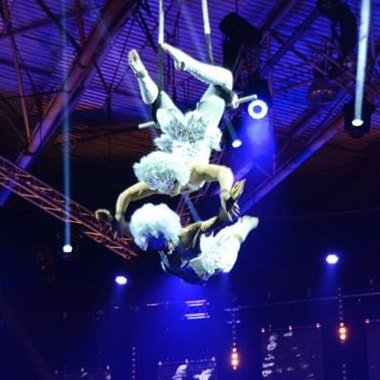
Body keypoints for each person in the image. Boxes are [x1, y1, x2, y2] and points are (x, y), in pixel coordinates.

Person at [95, 44, 239, 233]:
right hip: (177, 129)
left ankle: (182, 66)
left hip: (199, 128)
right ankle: (143, 76)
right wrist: (120, 216)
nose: (170, 195)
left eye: (170, 189)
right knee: (158, 102)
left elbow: (223, 172)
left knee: (226, 80)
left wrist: (226, 193)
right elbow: (127, 195)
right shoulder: (158, 183)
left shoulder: (192, 172)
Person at [128, 188, 259, 285]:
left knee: (232, 236)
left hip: (213, 256)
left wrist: (226, 210)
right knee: (226, 239)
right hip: (196, 274)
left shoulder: (186, 235)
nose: (168, 247)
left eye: (166, 240)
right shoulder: (166, 263)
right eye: (158, 245)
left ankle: (246, 224)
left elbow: (214, 223)